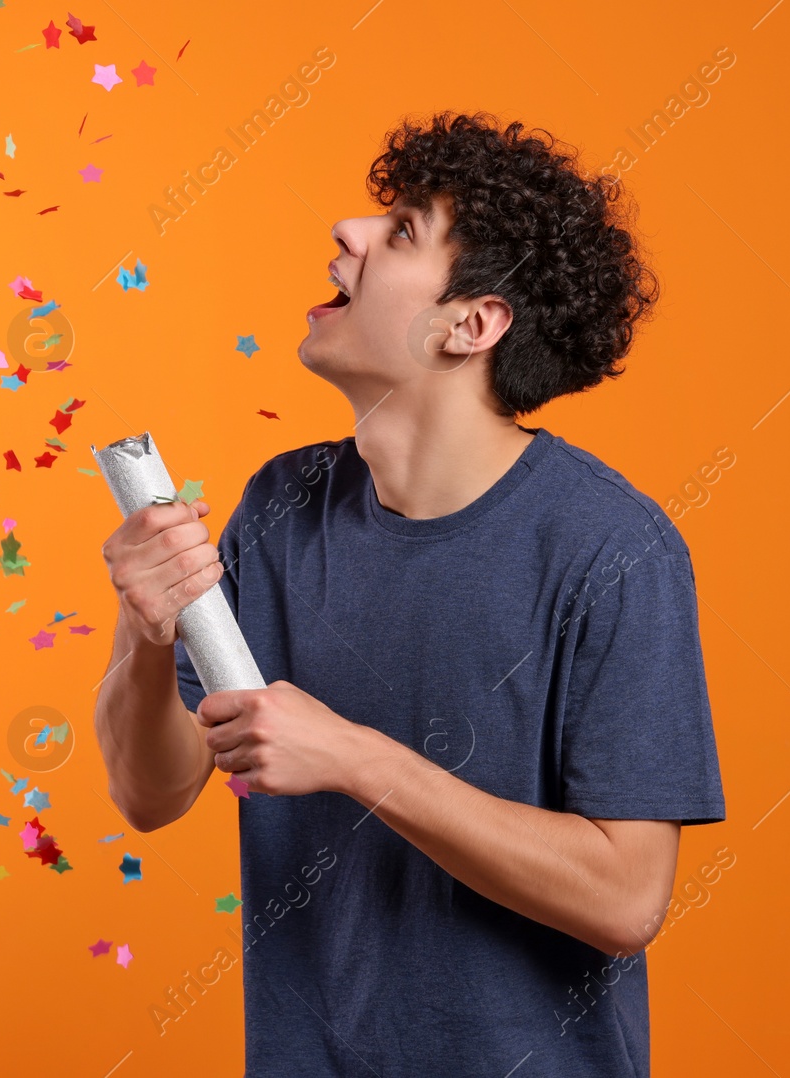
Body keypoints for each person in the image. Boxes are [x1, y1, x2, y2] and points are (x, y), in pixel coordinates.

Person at [94, 110, 726, 1077]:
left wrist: (355, 758)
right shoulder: (282, 506)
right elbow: (151, 792)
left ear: (470, 325)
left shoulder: (612, 549)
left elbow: (626, 899)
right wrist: (145, 631)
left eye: (401, 233)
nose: (346, 233)